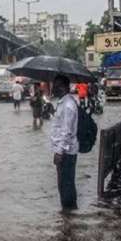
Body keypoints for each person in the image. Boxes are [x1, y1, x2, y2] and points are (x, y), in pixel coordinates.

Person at [50, 75, 79, 211]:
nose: (53, 88)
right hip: (63, 150)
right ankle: (69, 216)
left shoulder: (68, 105)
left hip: (66, 152)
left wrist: (59, 152)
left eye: (55, 85)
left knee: (66, 184)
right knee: (64, 184)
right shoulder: (63, 102)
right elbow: (60, 126)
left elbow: (67, 132)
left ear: (63, 87)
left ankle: (69, 213)